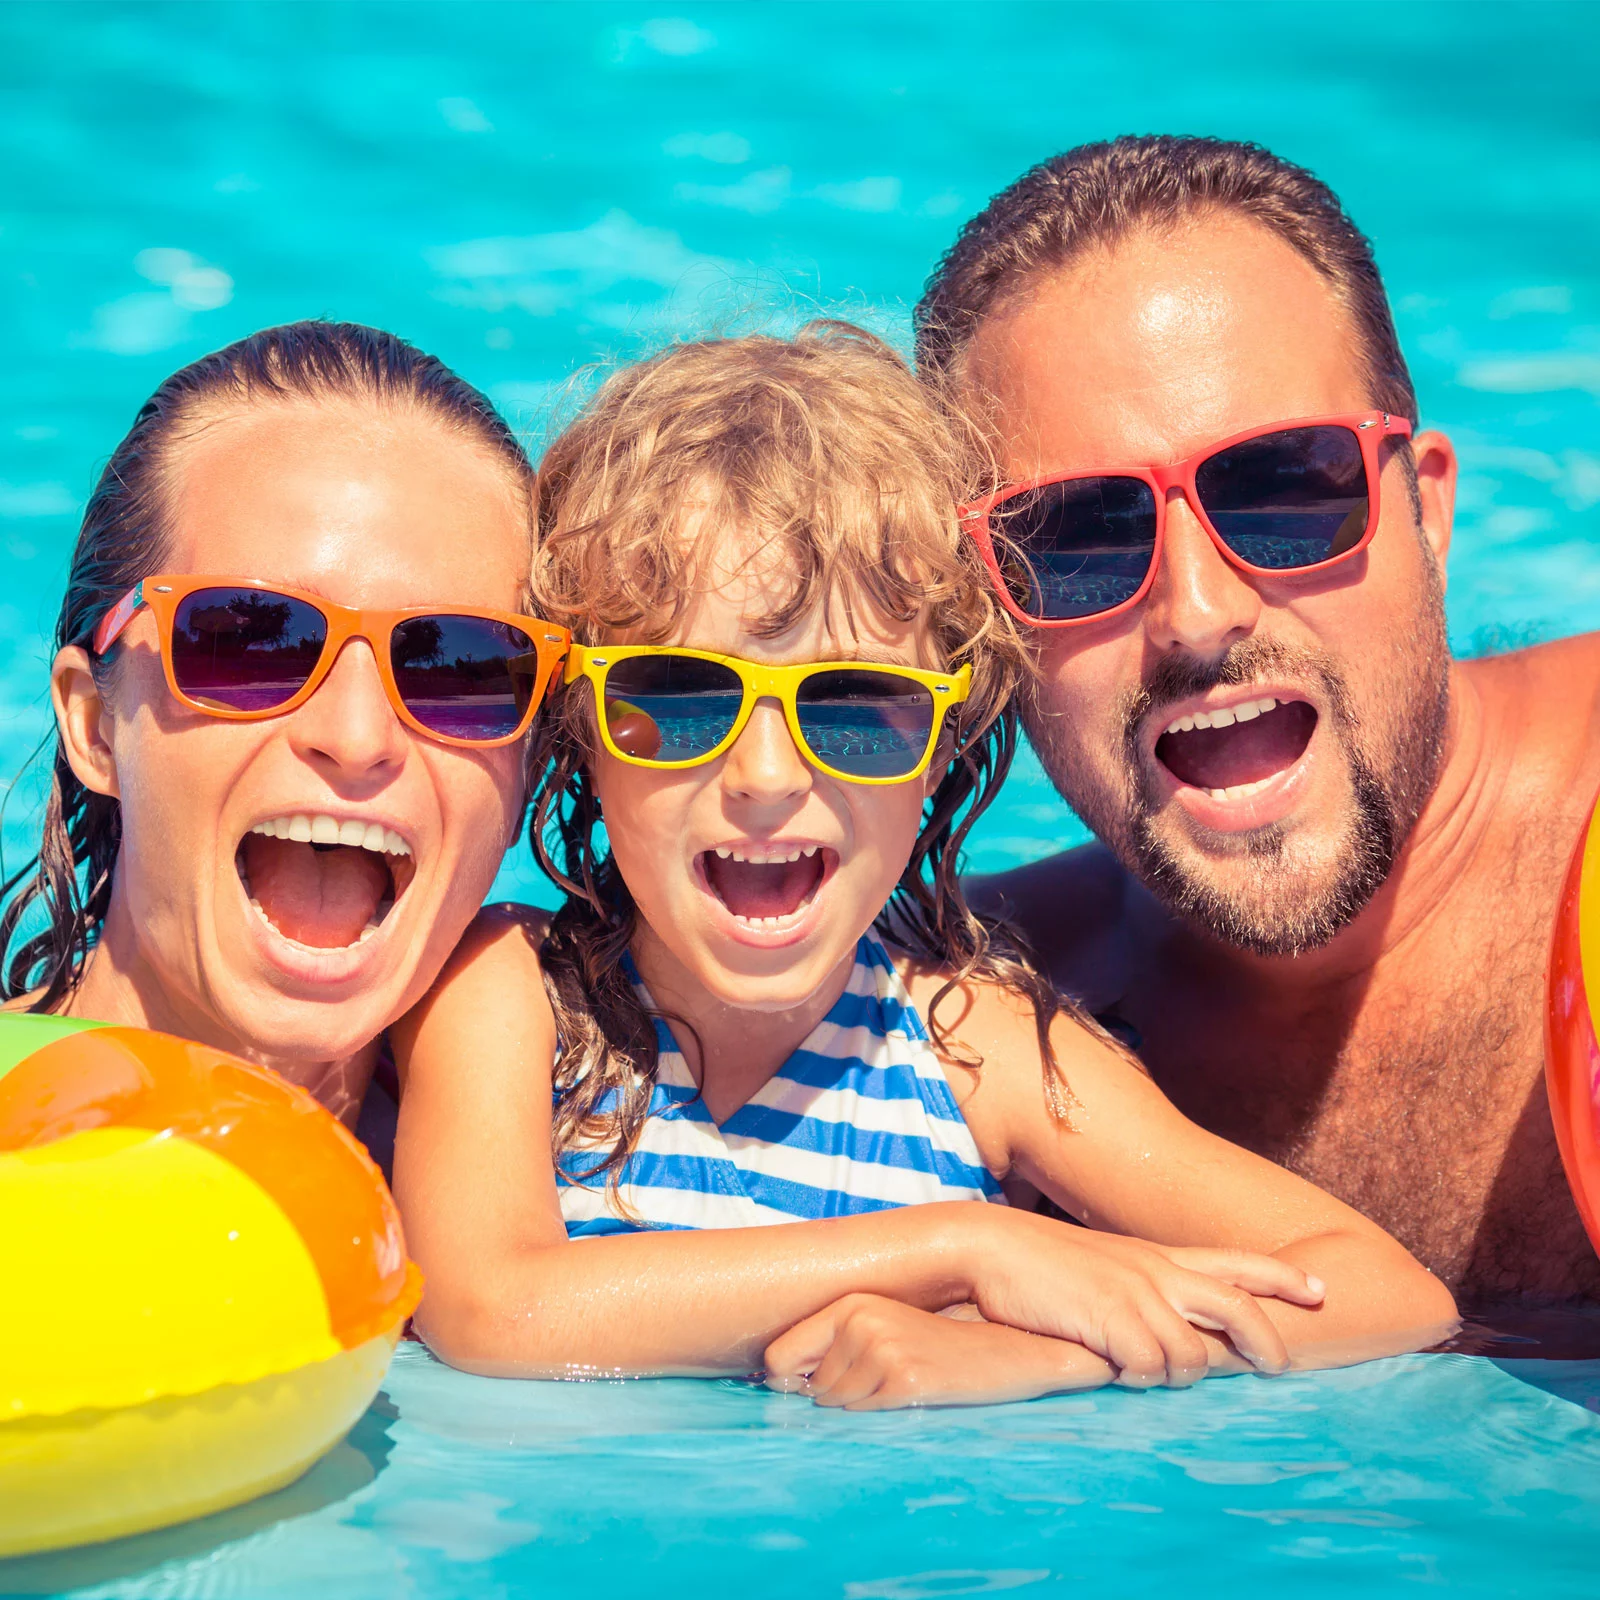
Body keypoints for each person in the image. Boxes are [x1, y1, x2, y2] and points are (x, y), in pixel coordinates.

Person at [392, 322, 1453, 1409]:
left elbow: (1386, 1291)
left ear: (944, 743)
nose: (764, 775)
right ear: (581, 730)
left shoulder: (967, 1049)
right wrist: (961, 1249)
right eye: (679, 697)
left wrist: (1048, 1354)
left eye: (854, 709)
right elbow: (496, 1310)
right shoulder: (513, 1002)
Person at [915, 136, 1600, 1306]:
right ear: (985, 623)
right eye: (1074, 538)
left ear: (1424, 509)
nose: (1196, 612)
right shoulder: (946, 1021)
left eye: (1281, 488)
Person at [0, 321, 567, 1133]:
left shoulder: (598, 1212)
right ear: (95, 725)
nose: (358, 733)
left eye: (461, 669)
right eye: (249, 640)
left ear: (528, 771)